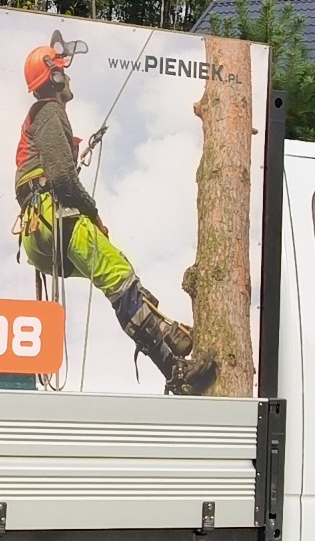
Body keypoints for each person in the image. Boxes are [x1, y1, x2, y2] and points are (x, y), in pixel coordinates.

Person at [14, 32, 217, 395]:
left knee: (118, 279)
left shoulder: (41, 120)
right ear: (56, 77)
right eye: (64, 71)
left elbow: (50, 169)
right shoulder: (49, 112)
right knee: (121, 279)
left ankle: (169, 335)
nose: (69, 76)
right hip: (54, 218)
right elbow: (60, 176)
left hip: (39, 237)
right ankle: (177, 372)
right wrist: (92, 213)